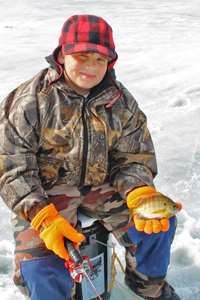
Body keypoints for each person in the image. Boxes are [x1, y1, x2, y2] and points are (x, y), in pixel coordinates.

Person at [0, 14, 181, 300]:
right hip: (45, 196)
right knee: (42, 268)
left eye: (100, 59)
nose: (91, 66)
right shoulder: (29, 101)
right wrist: (43, 217)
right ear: (61, 55)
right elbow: (12, 169)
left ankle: (148, 290)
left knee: (158, 225)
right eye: (82, 56)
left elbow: (133, 157)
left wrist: (137, 192)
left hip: (105, 186)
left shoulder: (121, 102)